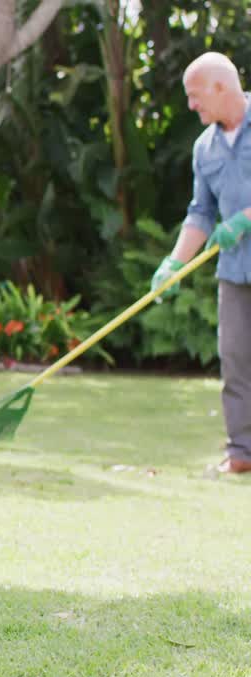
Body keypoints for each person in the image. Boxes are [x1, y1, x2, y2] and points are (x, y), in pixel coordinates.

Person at [151, 52, 251, 475]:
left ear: (221, 87)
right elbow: (200, 214)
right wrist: (173, 264)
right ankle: (242, 454)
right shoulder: (204, 148)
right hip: (234, 272)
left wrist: (245, 218)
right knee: (236, 364)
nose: (191, 105)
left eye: (195, 96)